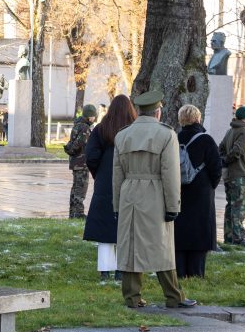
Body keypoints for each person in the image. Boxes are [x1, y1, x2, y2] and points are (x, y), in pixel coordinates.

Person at [112, 89, 196, 308]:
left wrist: (116, 204)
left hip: (129, 192)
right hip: (155, 192)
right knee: (162, 246)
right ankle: (173, 296)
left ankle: (132, 297)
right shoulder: (166, 134)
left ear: (139, 111)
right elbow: (170, 174)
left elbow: (117, 174)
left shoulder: (123, 134)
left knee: (130, 245)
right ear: (158, 112)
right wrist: (173, 205)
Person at [84, 95, 136, 281]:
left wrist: (99, 173)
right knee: (126, 227)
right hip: (129, 180)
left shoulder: (101, 129)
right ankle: (122, 269)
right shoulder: (134, 130)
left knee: (104, 227)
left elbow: (90, 156)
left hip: (105, 181)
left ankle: (105, 270)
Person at [174, 104, 223, 278]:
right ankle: (196, 274)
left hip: (178, 191)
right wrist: (209, 186)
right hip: (201, 192)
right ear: (198, 118)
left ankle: (179, 273)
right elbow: (217, 168)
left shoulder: (175, 138)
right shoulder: (206, 140)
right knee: (199, 234)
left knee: (179, 234)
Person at [219, 106, 245, 247]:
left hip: (229, 174)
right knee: (239, 207)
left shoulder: (230, 131)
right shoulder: (244, 131)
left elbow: (220, 148)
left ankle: (229, 237)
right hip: (239, 174)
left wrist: (223, 161)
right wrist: (227, 160)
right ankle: (238, 238)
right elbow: (237, 151)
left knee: (230, 206)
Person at [65, 105, 98, 219]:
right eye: (93, 115)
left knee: (75, 188)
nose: (94, 118)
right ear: (89, 116)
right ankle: (78, 214)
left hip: (76, 162)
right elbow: (80, 144)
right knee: (81, 188)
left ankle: (73, 213)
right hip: (81, 163)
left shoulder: (78, 125)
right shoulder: (84, 128)